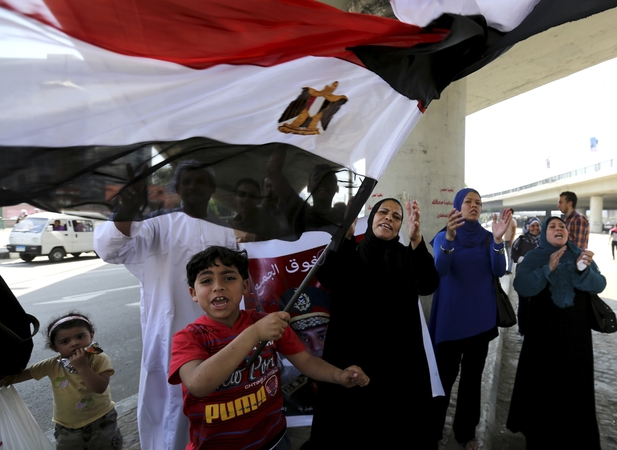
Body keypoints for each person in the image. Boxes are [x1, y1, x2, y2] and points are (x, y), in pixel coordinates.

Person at [94, 160, 237, 450]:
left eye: (200, 181)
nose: (193, 187)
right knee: (172, 407)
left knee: (221, 400)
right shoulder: (156, 225)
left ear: (212, 188)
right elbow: (108, 248)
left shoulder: (226, 229)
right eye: (187, 182)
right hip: (170, 333)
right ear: (178, 188)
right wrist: (128, 207)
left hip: (222, 333)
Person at [168, 246, 369, 449]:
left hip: (275, 440)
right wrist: (254, 334)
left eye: (229, 278)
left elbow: (306, 361)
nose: (218, 287)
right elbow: (198, 384)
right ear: (193, 293)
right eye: (206, 280)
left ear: (245, 286)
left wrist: (338, 375)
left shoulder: (268, 324)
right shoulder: (188, 338)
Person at [307, 198, 442, 449]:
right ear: (371, 219)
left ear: (400, 226)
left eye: (396, 216)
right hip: (352, 358)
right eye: (383, 212)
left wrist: (416, 240)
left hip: (397, 365)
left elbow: (428, 284)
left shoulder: (407, 256)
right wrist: (345, 236)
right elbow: (327, 277)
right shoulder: (352, 253)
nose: (389, 218)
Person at [507, 217, 606, 449]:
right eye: (552, 226)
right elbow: (522, 286)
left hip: (576, 339)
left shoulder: (581, 255)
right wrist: (547, 268)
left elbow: (599, 284)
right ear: (544, 233)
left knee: (575, 390)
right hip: (542, 339)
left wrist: (583, 271)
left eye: (562, 226)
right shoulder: (535, 257)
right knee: (542, 389)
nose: (558, 228)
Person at [429, 188, 512, 450]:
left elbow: (500, 270)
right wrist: (449, 238)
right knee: (443, 378)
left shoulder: (488, 238)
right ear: (458, 206)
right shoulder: (444, 235)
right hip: (451, 322)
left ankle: (465, 433)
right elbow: (440, 269)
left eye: (478, 202)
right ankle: (431, 433)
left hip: (480, 321)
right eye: (468, 201)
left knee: (472, 380)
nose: (474, 205)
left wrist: (498, 241)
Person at [0, 312, 122, 450]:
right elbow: (27, 374)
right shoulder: (52, 364)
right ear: (54, 347)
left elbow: (99, 388)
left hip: (101, 420)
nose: (74, 343)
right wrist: (6, 379)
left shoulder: (99, 358)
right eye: (65, 342)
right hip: (67, 426)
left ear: (91, 335)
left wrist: (82, 367)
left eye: (80, 337)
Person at [511, 217, 541, 335]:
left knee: (537, 303)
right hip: (524, 276)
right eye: (532, 226)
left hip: (539, 276)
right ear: (527, 227)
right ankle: (523, 330)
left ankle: (535, 328)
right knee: (524, 303)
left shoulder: (544, 240)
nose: (535, 228)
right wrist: (526, 259)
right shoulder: (521, 240)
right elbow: (513, 256)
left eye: (537, 225)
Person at [228, 177, 281, 242]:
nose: (246, 198)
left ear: (259, 200)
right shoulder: (229, 226)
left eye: (252, 196)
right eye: (242, 194)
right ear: (235, 198)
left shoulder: (270, 224)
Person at [503, 208, 517, 274]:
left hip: (510, 241)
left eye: (510, 213)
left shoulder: (513, 221)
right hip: (506, 240)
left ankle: (510, 270)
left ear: (512, 213)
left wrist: (511, 241)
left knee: (510, 256)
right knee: (508, 255)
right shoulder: (506, 221)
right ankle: (509, 269)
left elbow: (514, 232)